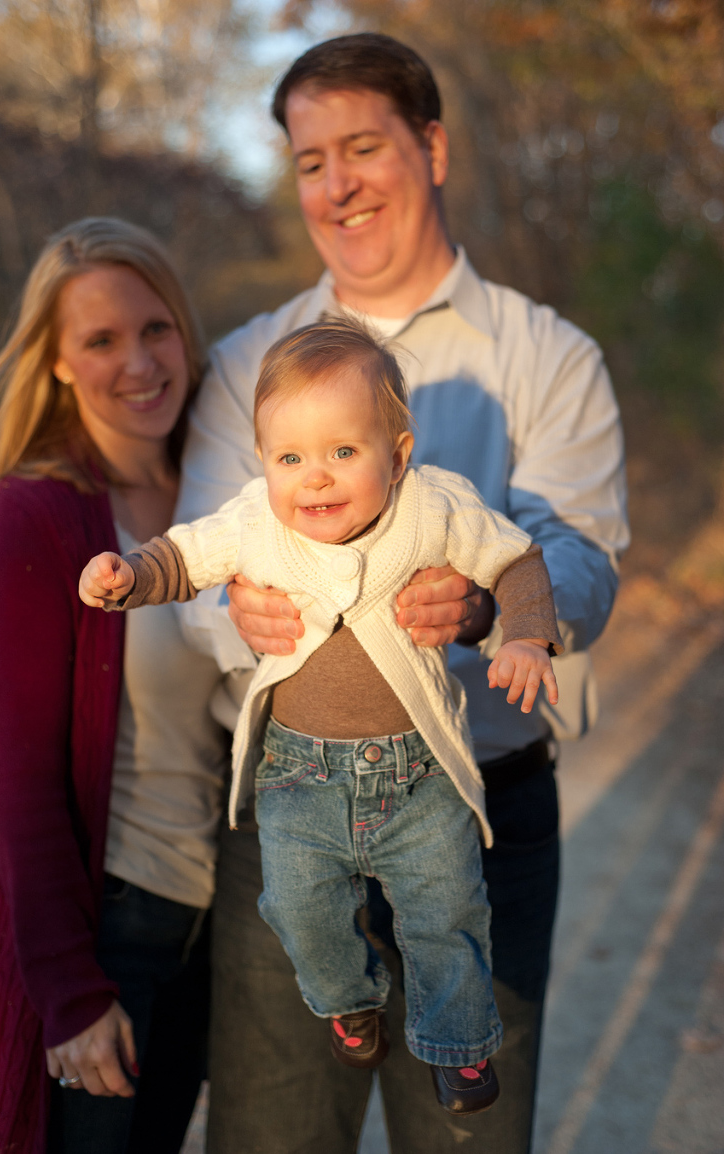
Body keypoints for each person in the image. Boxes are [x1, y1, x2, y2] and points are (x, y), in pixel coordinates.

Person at [176, 32, 630, 1154]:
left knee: (463, 1133)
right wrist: (232, 615)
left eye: (363, 146)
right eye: (311, 159)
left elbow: (582, 557)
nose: (337, 184)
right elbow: (195, 564)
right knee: (273, 1134)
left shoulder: (547, 354)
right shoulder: (246, 365)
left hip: (477, 809)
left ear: (431, 146)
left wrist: (486, 611)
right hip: (289, 803)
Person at [80, 318, 563, 1116]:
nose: (316, 479)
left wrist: (528, 635)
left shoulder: (434, 506)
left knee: (448, 915)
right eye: (290, 458)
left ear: (398, 454)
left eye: (344, 452)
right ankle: (348, 997)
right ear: (262, 462)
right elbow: (183, 557)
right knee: (297, 907)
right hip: (300, 774)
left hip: (417, 776)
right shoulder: (255, 522)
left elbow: (515, 557)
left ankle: (458, 1046)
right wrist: (127, 576)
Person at [0, 217, 229, 1154]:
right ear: (60, 363)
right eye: (101, 341)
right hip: (101, 936)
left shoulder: (225, 489)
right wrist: (71, 994)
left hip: (209, 932)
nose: (139, 362)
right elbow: (17, 785)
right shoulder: (34, 517)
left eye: (154, 329)